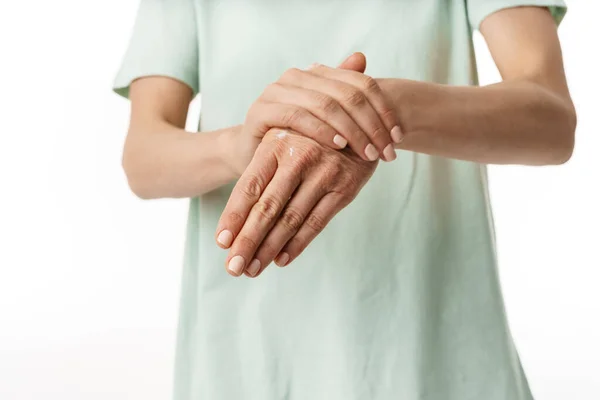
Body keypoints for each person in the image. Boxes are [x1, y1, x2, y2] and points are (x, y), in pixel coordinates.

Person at [113, 1, 576, 399]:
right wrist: (239, 146)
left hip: (435, 347)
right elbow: (144, 155)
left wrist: (378, 108)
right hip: (250, 355)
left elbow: (550, 118)